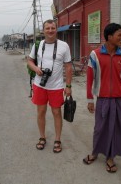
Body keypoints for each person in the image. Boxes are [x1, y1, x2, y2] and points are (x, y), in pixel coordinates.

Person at [83, 23, 121, 173]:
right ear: (109, 37)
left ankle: (111, 157)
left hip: (120, 99)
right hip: (103, 99)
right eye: (119, 35)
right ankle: (95, 152)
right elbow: (89, 79)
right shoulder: (95, 55)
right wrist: (89, 100)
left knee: (117, 129)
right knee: (100, 128)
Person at [27, 19, 72, 153]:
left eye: (53, 28)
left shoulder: (64, 46)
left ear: (56, 29)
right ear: (44, 30)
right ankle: (42, 137)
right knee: (41, 112)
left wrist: (68, 85)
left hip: (57, 86)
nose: (50, 31)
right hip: (39, 85)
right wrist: (36, 69)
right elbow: (29, 61)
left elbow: (68, 67)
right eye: (48, 28)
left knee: (56, 112)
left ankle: (57, 139)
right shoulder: (38, 45)